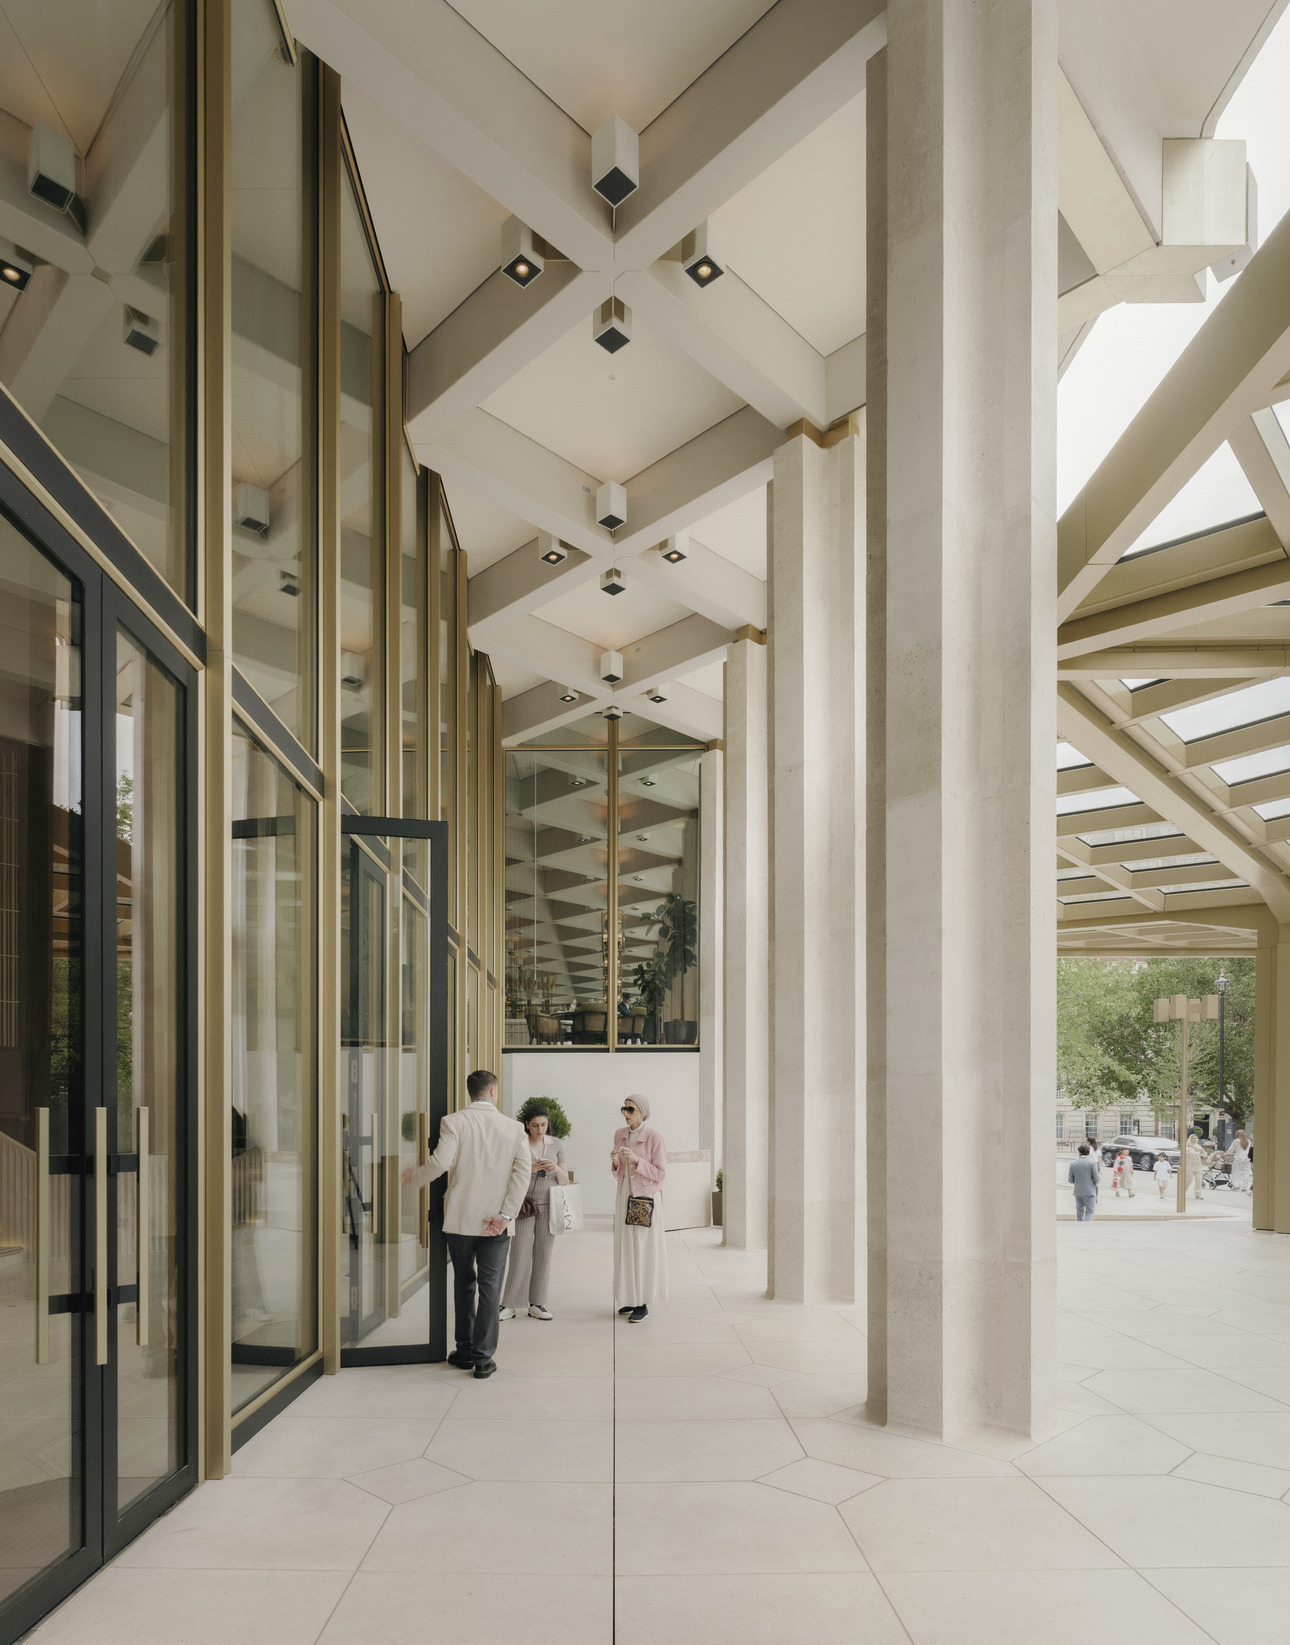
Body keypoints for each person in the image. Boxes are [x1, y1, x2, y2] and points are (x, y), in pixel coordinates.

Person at [402, 1068, 529, 1378]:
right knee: (489, 1288)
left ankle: (464, 1349)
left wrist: (413, 1178)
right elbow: (522, 1174)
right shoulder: (514, 1128)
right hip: (496, 1222)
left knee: (463, 1283)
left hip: (460, 1220)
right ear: (493, 1092)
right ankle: (484, 1360)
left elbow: (441, 1163)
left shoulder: (453, 1122)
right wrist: (507, 1215)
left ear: (470, 1092)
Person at [499, 1105, 568, 1322]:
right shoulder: (518, 1143)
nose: (540, 1130)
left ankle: (537, 1303)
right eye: (535, 1125)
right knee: (519, 1253)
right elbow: (505, 1174)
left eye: (544, 1125)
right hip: (524, 1206)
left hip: (550, 1206)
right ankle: (509, 1304)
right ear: (527, 1125)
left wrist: (555, 1169)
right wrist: (528, 1168)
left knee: (543, 1254)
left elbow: (565, 1179)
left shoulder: (556, 1144)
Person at [611, 1094, 668, 1320]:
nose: (626, 1113)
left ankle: (642, 1301)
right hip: (624, 1194)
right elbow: (618, 1173)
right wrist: (616, 1162)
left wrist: (636, 1160)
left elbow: (661, 1174)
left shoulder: (654, 1137)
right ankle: (630, 1297)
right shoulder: (619, 1135)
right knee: (625, 1246)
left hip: (645, 1198)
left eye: (630, 1109)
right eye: (624, 1109)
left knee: (642, 1248)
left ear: (642, 1112)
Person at [1067, 1143, 1099, 1221]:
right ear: (1088, 1153)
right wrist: (1092, 1184)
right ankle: (1086, 1228)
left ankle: (1080, 1226)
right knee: (1089, 1211)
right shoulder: (1092, 1163)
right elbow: (1097, 1178)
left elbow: (1070, 1180)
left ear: (1079, 1153)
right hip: (1089, 1191)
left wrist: (1078, 1182)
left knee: (1079, 1211)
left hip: (1078, 1191)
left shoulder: (1073, 1163)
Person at [1185, 1132, 1205, 1200]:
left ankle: (1198, 1194)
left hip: (1198, 1166)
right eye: (1193, 1138)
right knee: (1189, 1180)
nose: (1194, 1140)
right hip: (1190, 1166)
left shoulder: (1199, 1146)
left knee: (1199, 1180)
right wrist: (1188, 1147)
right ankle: (1182, 1191)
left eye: (1195, 1138)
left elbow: (1205, 1155)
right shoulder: (1187, 1146)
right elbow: (1185, 1153)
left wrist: (1201, 1151)